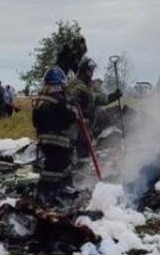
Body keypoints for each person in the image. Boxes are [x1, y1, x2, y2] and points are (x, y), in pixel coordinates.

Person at [32, 66, 76, 206]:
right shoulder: (60, 100)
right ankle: (52, 195)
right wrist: (73, 110)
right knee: (60, 169)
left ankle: (47, 193)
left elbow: (35, 122)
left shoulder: (39, 100)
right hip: (59, 141)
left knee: (51, 167)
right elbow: (68, 119)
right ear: (60, 83)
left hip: (44, 141)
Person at [66, 58, 120, 159]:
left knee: (84, 153)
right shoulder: (75, 85)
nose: (92, 73)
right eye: (90, 70)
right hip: (75, 127)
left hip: (86, 127)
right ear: (84, 70)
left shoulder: (88, 86)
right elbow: (69, 103)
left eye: (92, 71)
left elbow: (99, 98)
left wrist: (113, 96)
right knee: (77, 153)